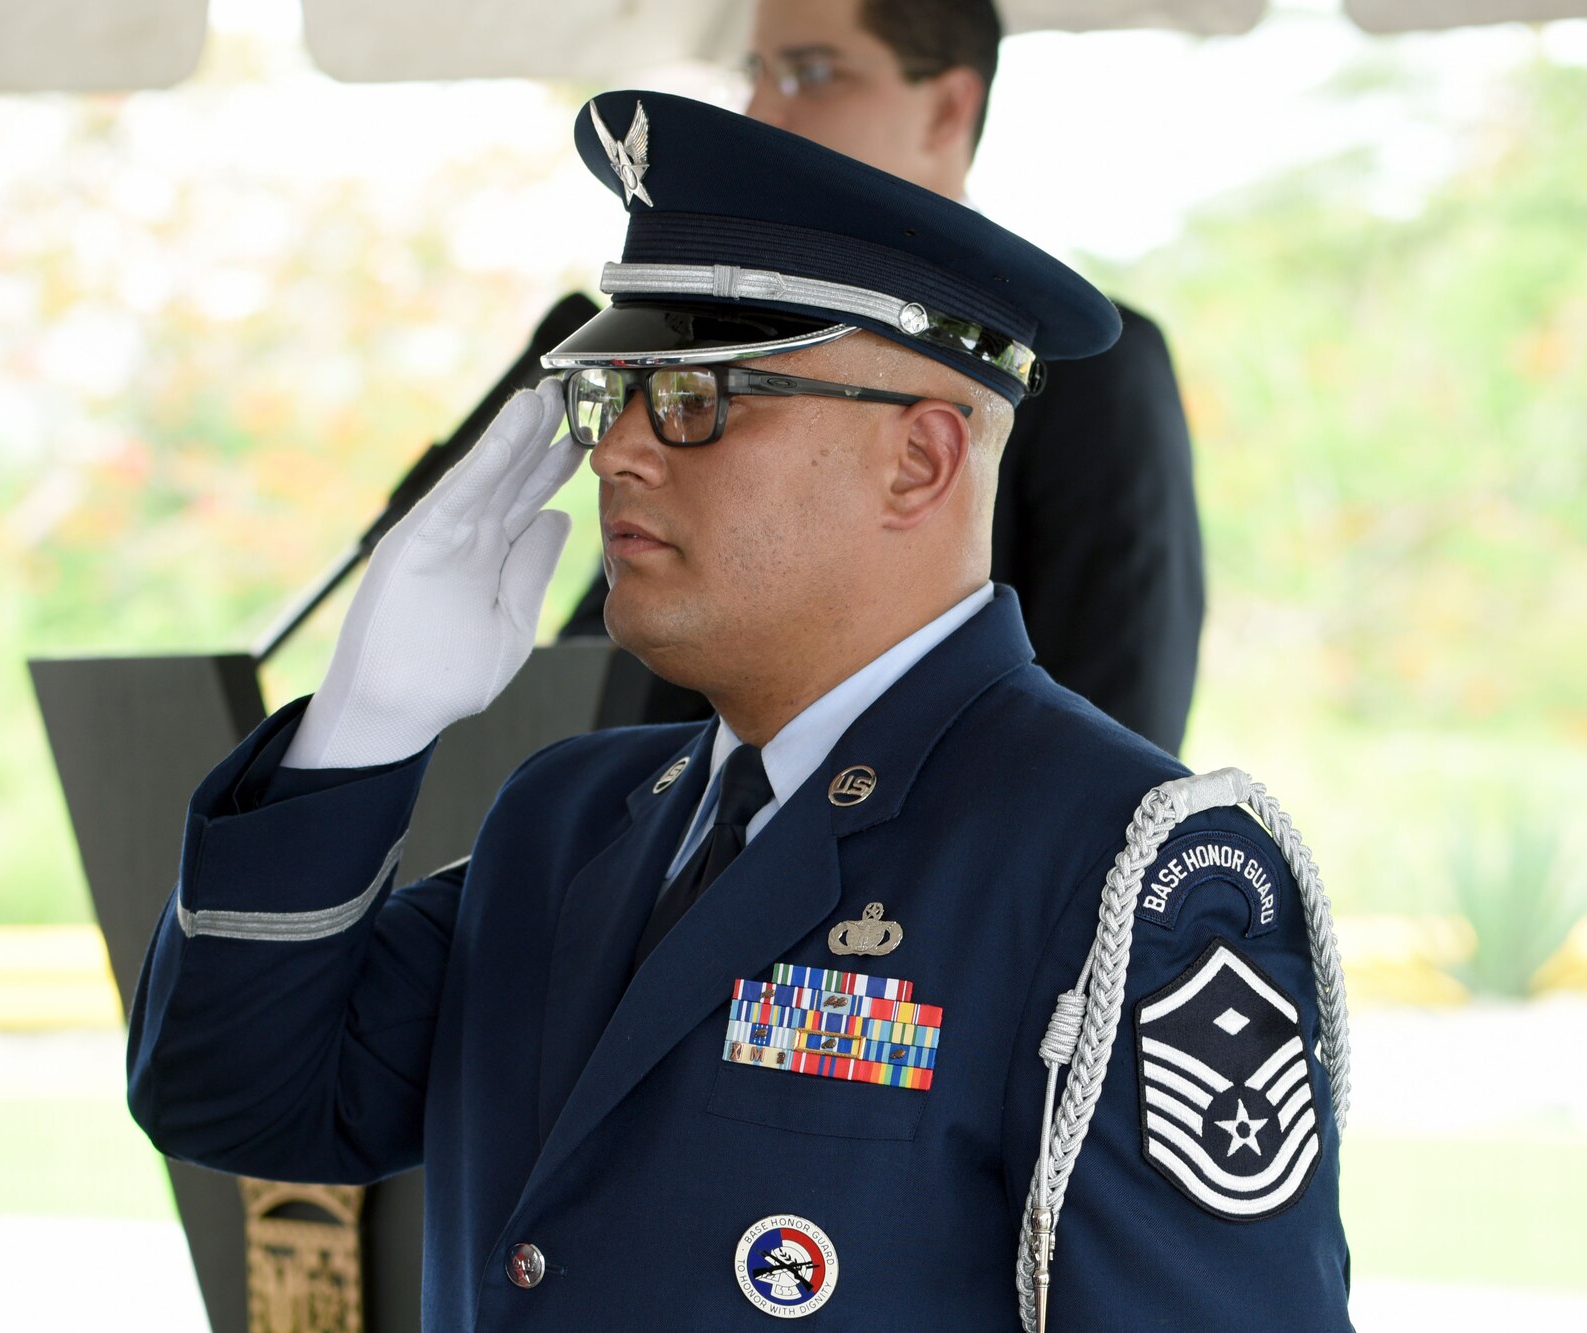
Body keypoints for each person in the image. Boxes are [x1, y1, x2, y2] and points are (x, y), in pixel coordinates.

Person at [129, 92, 1349, 1329]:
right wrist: (360, 727)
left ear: (918, 460)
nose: (617, 455)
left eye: (698, 399)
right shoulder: (567, 821)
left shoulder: (1120, 869)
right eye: (620, 397)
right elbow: (232, 1100)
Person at [560, 0, 1206, 756]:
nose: (762, 108)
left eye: (813, 73)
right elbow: (611, 692)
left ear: (948, 108)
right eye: (757, 73)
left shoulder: (1093, 378)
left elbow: (1116, 719)